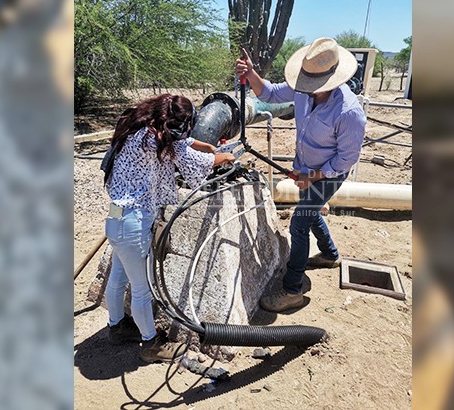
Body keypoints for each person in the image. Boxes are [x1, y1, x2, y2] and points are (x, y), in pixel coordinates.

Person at [234, 38, 366, 312]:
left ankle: (292, 290)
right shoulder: (303, 89)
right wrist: (251, 75)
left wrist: (314, 176)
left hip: (329, 175)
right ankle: (330, 255)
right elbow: (268, 94)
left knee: (299, 222)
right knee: (310, 211)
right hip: (306, 169)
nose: (308, 88)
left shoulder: (349, 112)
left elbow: (346, 159)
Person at [102, 94, 235, 362]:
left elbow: (179, 142)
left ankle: (116, 327)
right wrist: (223, 156)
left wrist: (204, 145)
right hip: (134, 224)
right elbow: (193, 162)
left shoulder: (137, 128)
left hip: (116, 219)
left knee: (118, 276)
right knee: (141, 289)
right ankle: (151, 345)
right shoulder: (159, 141)